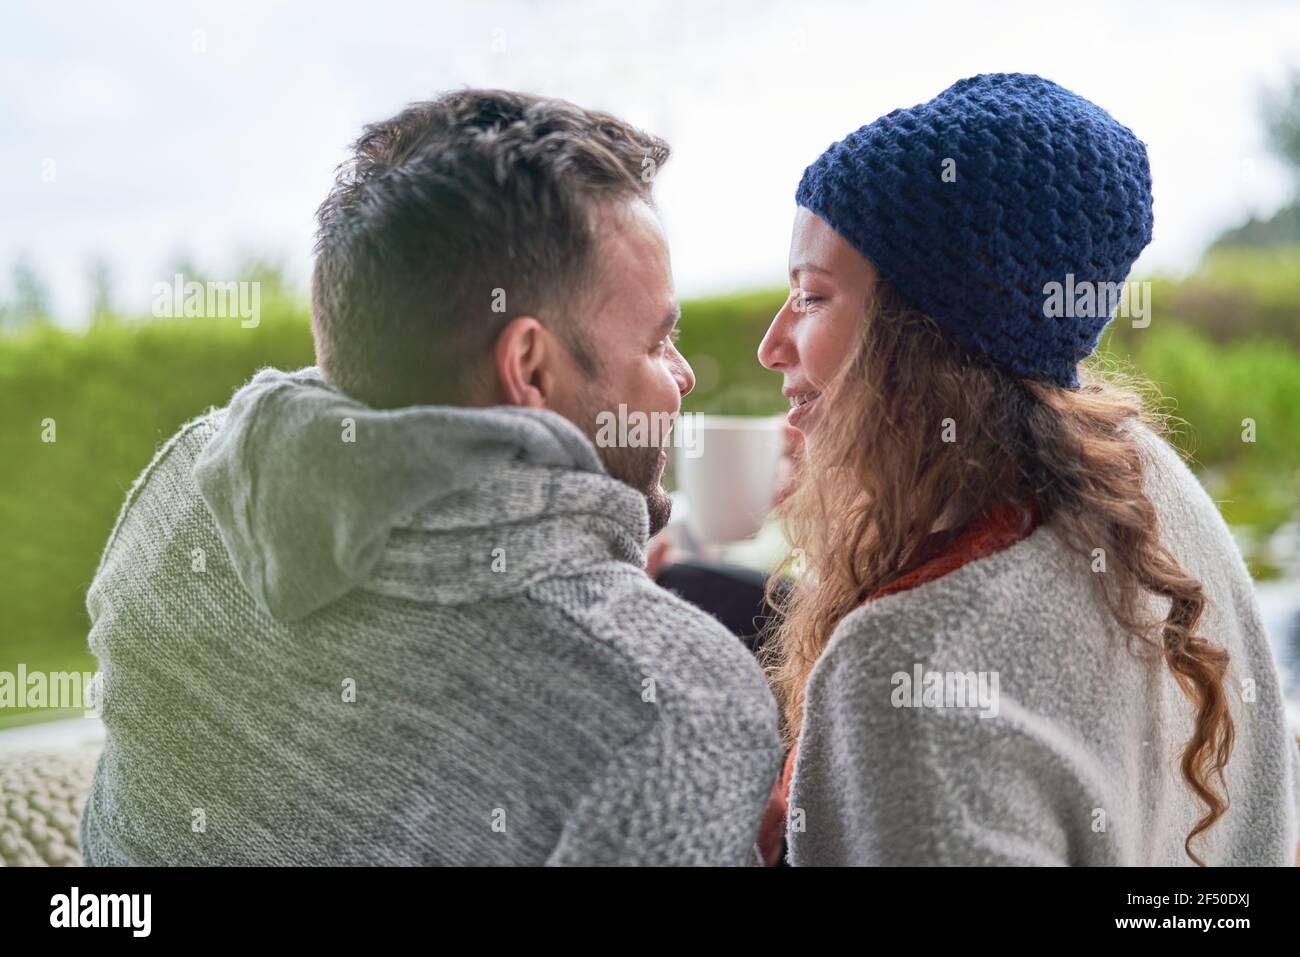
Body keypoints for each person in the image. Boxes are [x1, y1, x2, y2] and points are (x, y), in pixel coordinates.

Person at [79, 90, 782, 866]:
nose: (682, 376)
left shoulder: (185, 492)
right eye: (659, 342)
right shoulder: (674, 707)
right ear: (529, 366)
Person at [757, 73, 1300, 866]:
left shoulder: (905, 669)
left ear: (919, 336)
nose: (773, 343)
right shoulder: (1147, 479)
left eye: (811, 296)